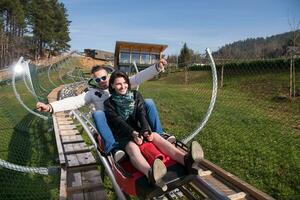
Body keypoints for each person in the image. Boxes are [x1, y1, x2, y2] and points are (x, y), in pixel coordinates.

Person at [36, 59, 173, 156]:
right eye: (98, 80)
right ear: (94, 81)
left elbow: (138, 78)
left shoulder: (119, 84)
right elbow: (75, 101)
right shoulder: (92, 93)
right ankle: (111, 147)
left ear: (108, 76)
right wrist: (50, 106)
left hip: (127, 118)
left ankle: (159, 134)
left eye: (104, 77)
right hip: (112, 124)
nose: (102, 81)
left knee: (148, 101)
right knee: (98, 114)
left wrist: (156, 67)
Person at [104, 70, 203, 190]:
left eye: (125, 82)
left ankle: (186, 160)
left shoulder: (135, 95)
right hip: (123, 135)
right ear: (112, 85)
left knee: (155, 136)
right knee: (132, 147)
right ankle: (150, 173)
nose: (122, 86)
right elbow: (118, 121)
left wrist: (145, 129)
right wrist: (133, 133)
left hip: (138, 131)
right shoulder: (108, 103)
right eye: (118, 84)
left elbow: (141, 113)